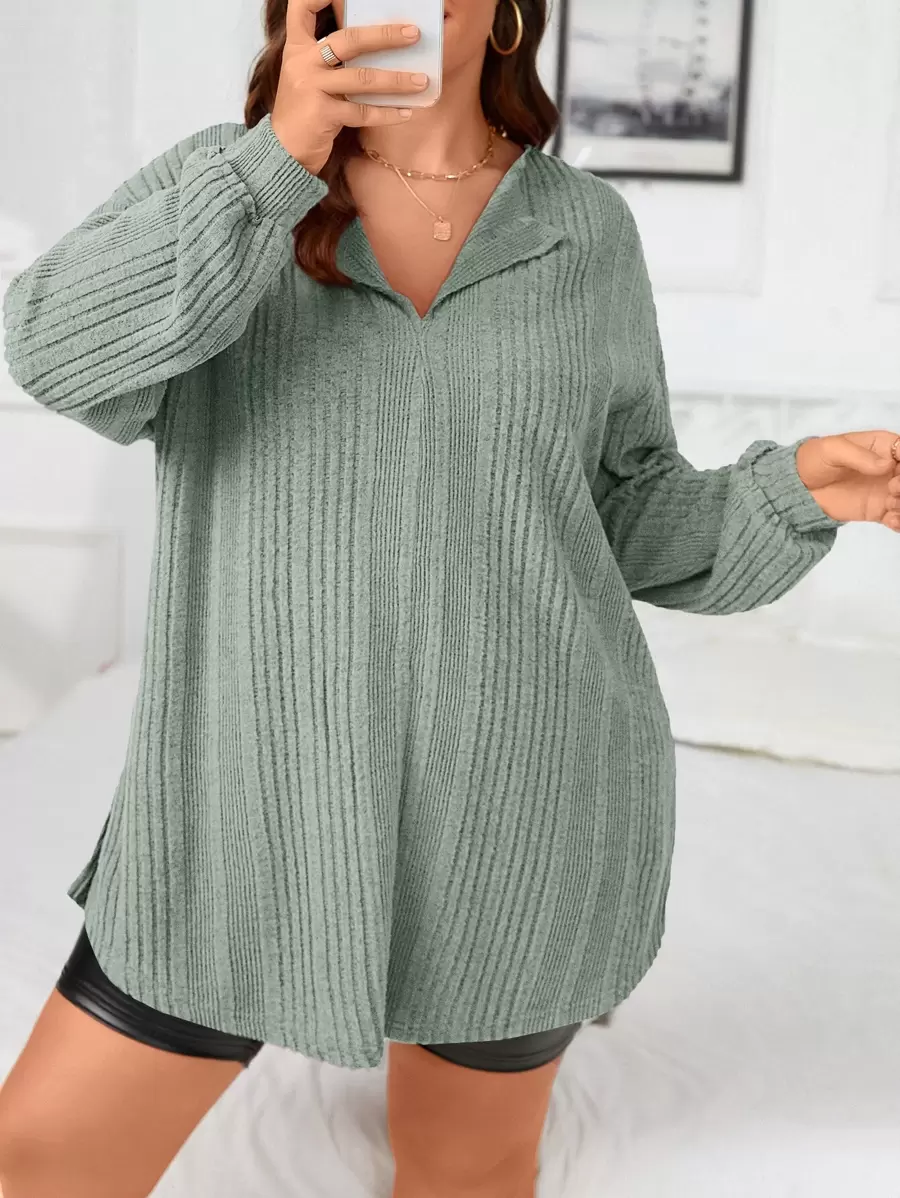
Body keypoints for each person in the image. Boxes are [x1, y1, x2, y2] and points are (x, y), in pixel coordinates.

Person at [1, 0, 899, 1195]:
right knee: (40, 1163)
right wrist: (280, 159)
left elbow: (622, 517)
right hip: (246, 812)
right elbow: (54, 351)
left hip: (520, 814)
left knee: (464, 1174)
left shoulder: (585, 232)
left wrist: (795, 491)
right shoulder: (223, 184)